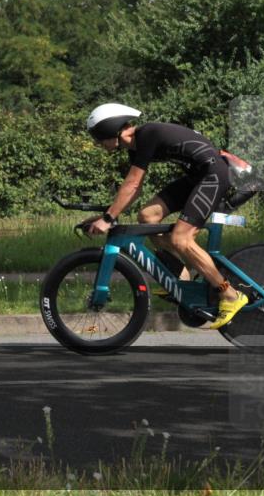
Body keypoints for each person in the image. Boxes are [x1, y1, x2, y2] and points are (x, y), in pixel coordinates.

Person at [84, 103, 248, 329]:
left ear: (109, 130)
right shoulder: (138, 145)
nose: (97, 144)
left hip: (213, 175)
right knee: (148, 216)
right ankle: (181, 277)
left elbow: (132, 185)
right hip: (199, 177)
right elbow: (134, 188)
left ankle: (230, 295)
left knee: (182, 239)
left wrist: (108, 219)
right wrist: (107, 214)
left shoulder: (148, 134)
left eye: (97, 138)